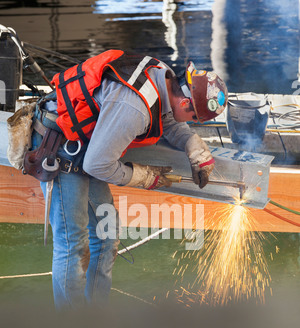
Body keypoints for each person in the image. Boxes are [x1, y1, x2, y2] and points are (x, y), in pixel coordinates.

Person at [31, 50, 228, 309]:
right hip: (62, 148)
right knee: (73, 245)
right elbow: (97, 164)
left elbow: (167, 121)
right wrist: (142, 177)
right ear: (185, 103)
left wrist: (191, 142)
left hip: (88, 144)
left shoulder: (164, 76)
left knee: (107, 235)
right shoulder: (133, 107)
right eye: (195, 119)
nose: (193, 123)